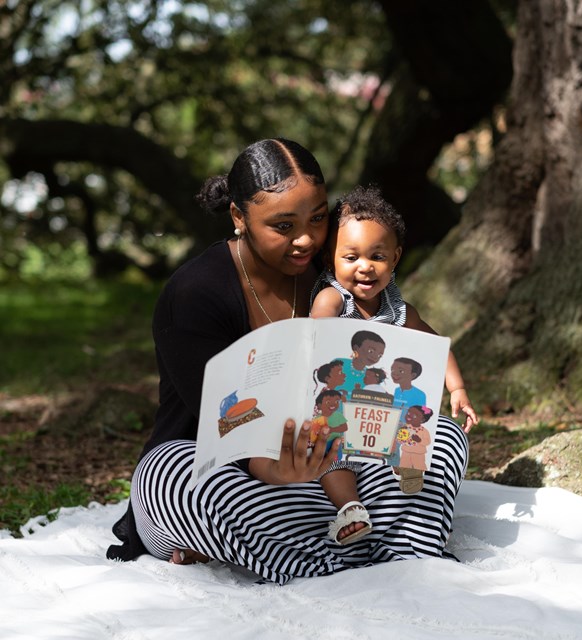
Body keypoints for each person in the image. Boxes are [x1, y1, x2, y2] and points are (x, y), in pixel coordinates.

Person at [108, 141, 469, 585]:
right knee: (167, 474)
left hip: (335, 467)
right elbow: (217, 419)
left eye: (318, 219)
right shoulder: (194, 293)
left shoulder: (337, 264)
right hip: (232, 472)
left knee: (441, 437)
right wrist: (276, 467)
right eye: (283, 226)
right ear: (239, 218)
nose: (307, 240)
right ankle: (352, 560)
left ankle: (363, 548)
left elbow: (394, 337)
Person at [310, 184, 478, 538]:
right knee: (331, 452)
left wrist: (457, 387)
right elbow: (317, 332)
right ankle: (348, 508)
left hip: (381, 410)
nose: (365, 268)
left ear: (396, 258)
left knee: (416, 426)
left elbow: (436, 345)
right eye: (351, 257)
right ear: (330, 259)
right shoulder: (333, 299)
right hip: (339, 408)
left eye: (377, 256)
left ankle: (409, 471)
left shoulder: (399, 309)